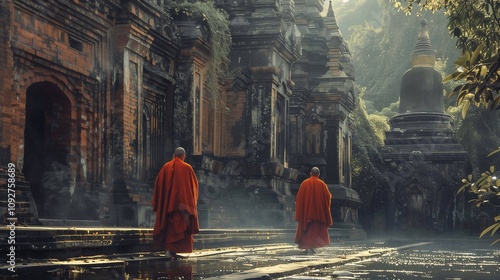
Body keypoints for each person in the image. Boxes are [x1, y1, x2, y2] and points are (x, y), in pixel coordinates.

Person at [152, 147, 199, 258]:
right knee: (180, 225)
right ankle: (174, 250)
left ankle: (169, 250)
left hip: (168, 206)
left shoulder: (165, 167)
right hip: (182, 208)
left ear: (174, 155)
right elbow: (193, 187)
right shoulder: (187, 168)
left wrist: (162, 202)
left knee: (168, 225)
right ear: (183, 156)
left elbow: (158, 185)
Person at [294, 167, 333, 253]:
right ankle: (311, 247)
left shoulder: (305, 183)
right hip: (318, 214)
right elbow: (328, 197)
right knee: (314, 231)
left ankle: (307, 247)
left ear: (310, 173)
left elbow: (299, 198)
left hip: (306, 212)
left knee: (306, 229)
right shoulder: (322, 185)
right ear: (318, 174)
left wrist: (302, 211)